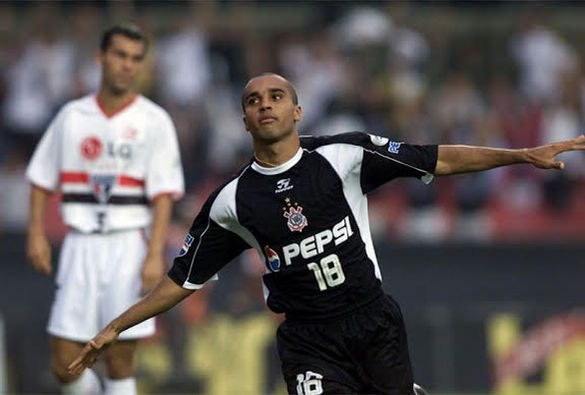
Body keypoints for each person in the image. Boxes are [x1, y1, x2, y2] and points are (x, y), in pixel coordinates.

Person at [68, 73, 584, 394]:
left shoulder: (344, 156)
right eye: (253, 100)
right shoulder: (232, 202)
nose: (264, 104)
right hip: (308, 340)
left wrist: (520, 155)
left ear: (296, 111)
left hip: (372, 320)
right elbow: (181, 280)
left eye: (276, 96)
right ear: (244, 119)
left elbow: (438, 159)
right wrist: (116, 325)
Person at [26, 24, 184, 395]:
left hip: (128, 243)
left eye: (135, 59)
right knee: (64, 363)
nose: (127, 65)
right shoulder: (72, 116)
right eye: (120, 55)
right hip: (80, 243)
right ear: (101, 58)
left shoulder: (154, 120)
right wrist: (35, 233)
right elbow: (40, 177)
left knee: (120, 359)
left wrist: (153, 254)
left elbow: (163, 194)